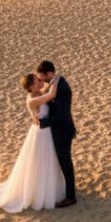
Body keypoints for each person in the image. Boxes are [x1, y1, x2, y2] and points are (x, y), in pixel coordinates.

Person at [0, 74, 67, 212]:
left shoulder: (38, 92)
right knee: (39, 162)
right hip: (40, 134)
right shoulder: (32, 100)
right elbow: (51, 94)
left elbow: (46, 88)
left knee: (48, 161)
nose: (39, 82)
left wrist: (44, 80)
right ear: (30, 87)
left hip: (47, 132)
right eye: (36, 81)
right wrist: (57, 79)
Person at [35, 60, 77, 207]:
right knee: (61, 161)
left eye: (43, 77)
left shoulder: (62, 87)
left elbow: (61, 114)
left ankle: (71, 197)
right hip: (57, 130)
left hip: (62, 131)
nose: (43, 80)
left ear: (49, 73)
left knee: (65, 162)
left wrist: (43, 123)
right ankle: (66, 190)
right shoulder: (55, 84)